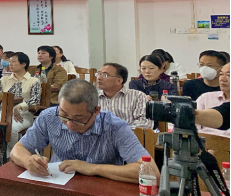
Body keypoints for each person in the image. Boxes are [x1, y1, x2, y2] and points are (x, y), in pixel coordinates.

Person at [10, 79, 159, 184]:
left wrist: (93, 168)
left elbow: (152, 173)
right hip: (58, 185)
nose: (69, 124)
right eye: (64, 115)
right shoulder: (49, 117)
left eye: (78, 119)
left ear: (96, 111)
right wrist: (28, 161)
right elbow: (18, 149)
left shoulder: (115, 127)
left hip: (103, 190)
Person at [0, 52, 41, 148]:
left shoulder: (34, 81)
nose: (10, 64)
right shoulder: (4, 79)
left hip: (23, 114)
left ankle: (12, 153)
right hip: (2, 113)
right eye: (9, 61)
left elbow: (35, 100)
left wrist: (20, 106)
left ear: (23, 64)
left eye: (13, 61)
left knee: (12, 128)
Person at [96, 63, 153, 129]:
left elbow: (145, 123)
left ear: (119, 81)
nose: (99, 78)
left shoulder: (138, 96)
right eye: (99, 74)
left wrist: (119, 130)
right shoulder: (92, 97)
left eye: (105, 75)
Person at [196, 62, 229, 137]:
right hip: (203, 142)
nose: (223, 79)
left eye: (228, 75)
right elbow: (194, 128)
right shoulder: (205, 97)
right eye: (221, 74)